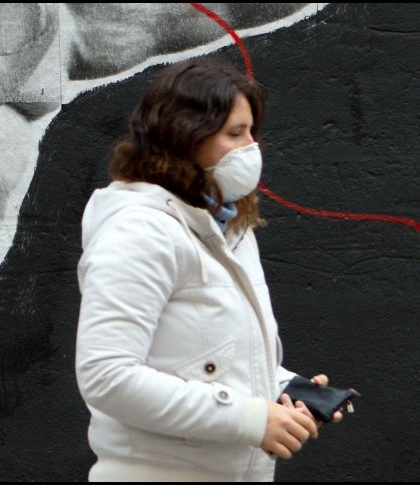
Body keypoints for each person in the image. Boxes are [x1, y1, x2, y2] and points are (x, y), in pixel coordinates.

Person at [74, 58, 344, 482]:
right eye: (235, 133)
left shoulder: (228, 227)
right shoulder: (141, 231)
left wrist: (282, 389)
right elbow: (106, 375)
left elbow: (205, 361)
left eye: (252, 132)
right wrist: (252, 419)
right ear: (186, 136)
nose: (251, 147)